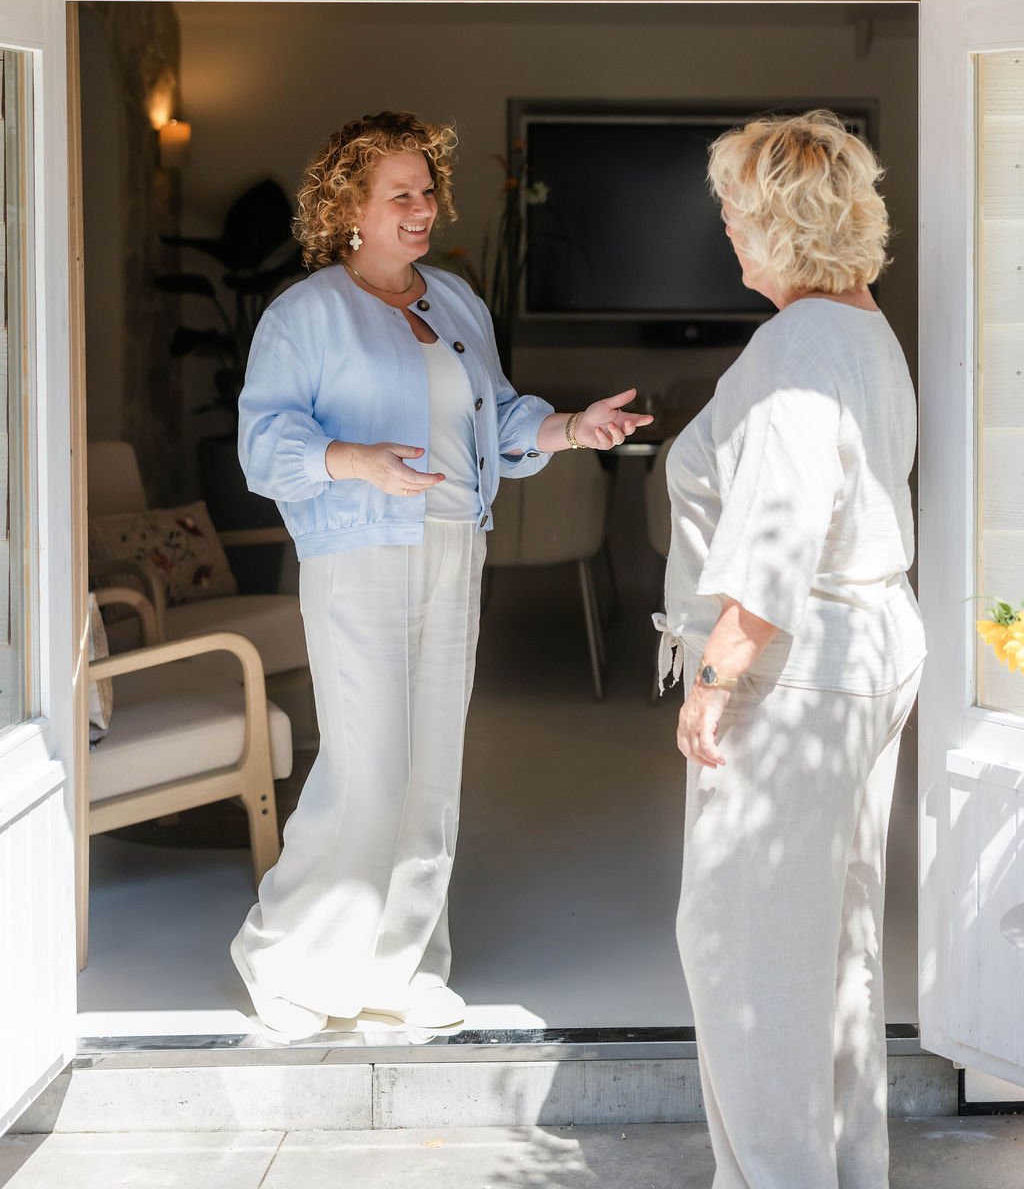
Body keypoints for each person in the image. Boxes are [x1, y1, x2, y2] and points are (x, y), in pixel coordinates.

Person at [230, 110, 651, 1039]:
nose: (422, 208)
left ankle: (403, 966)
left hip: (456, 544)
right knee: (368, 765)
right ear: (349, 207)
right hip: (359, 551)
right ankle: (285, 956)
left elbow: (497, 416)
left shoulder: (457, 302)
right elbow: (264, 446)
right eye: (400, 194)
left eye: (427, 191)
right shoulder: (304, 314)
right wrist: (355, 459)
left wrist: (573, 427)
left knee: (430, 771)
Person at [655, 111, 926, 1188]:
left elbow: (778, 531)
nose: (724, 224)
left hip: (798, 669)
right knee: (834, 937)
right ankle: (841, 1170)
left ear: (781, 220)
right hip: (867, 648)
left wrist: (714, 677)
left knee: (745, 950)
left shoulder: (795, 347)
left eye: (733, 205)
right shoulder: (862, 326)